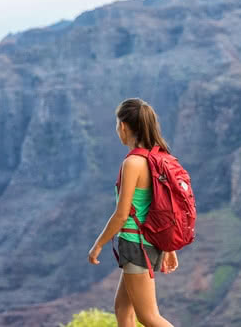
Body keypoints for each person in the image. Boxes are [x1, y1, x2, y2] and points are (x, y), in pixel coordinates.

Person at [88, 98, 178, 327]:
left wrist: (98, 244)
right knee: (122, 309)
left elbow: (121, 214)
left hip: (136, 244)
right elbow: (165, 207)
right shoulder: (160, 158)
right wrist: (169, 247)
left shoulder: (133, 163)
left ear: (124, 126)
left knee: (148, 316)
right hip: (150, 243)